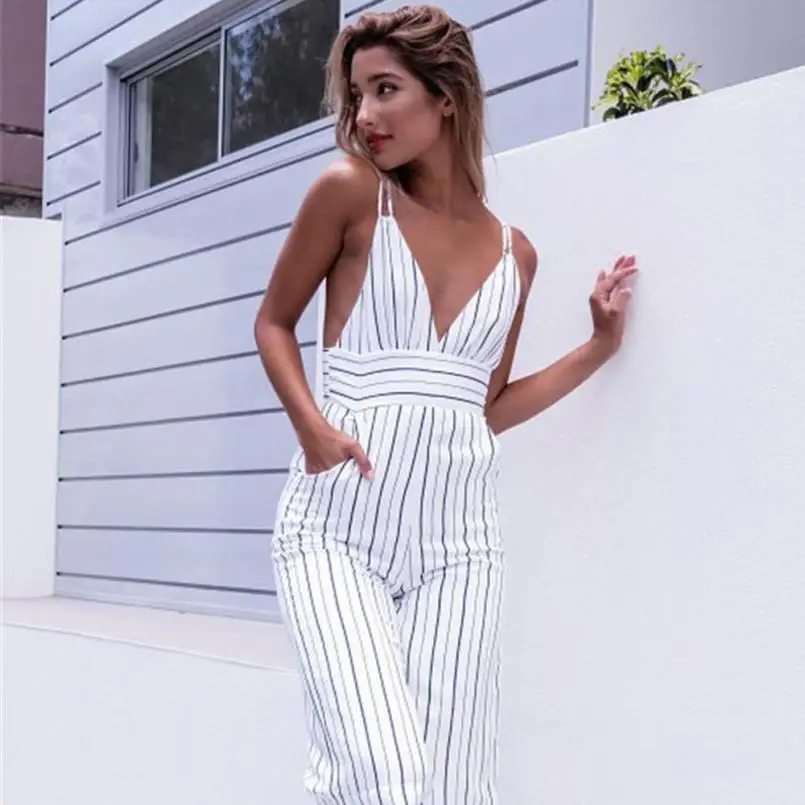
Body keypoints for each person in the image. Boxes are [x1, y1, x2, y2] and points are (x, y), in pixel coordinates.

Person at [254, 5, 637, 803]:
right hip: (335, 532)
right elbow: (273, 322)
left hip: (458, 545)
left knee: (455, 784)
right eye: (356, 95)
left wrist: (597, 347)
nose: (364, 115)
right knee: (384, 768)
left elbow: (483, 406)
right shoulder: (349, 194)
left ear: (446, 97)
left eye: (385, 89)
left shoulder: (513, 254)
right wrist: (312, 427)